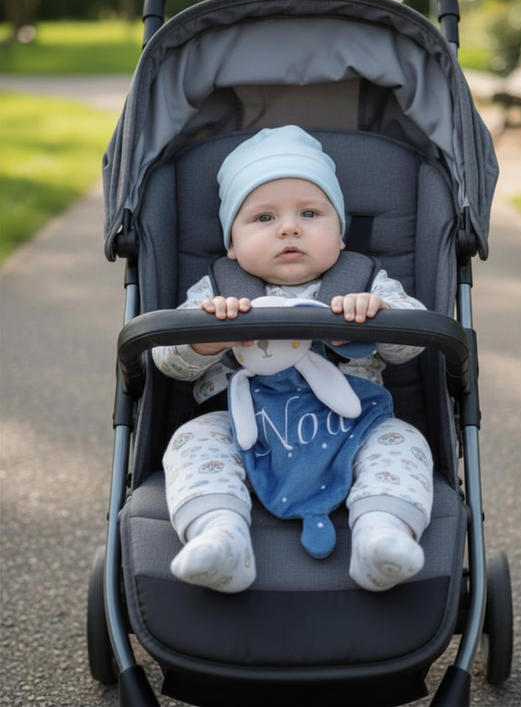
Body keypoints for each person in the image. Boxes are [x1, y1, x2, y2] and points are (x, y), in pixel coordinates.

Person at [153, 125, 433, 593]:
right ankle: (220, 536)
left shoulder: (367, 283)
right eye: (264, 218)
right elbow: (166, 359)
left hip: (351, 431)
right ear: (231, 244)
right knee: (192, 441)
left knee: (403, 441)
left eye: (310, 213)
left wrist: (378, 317)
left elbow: (415, 342)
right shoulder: (215, 293)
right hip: (247, 434)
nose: (289, 228)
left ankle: (382, 534)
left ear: (341, 235)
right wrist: (207, 337)